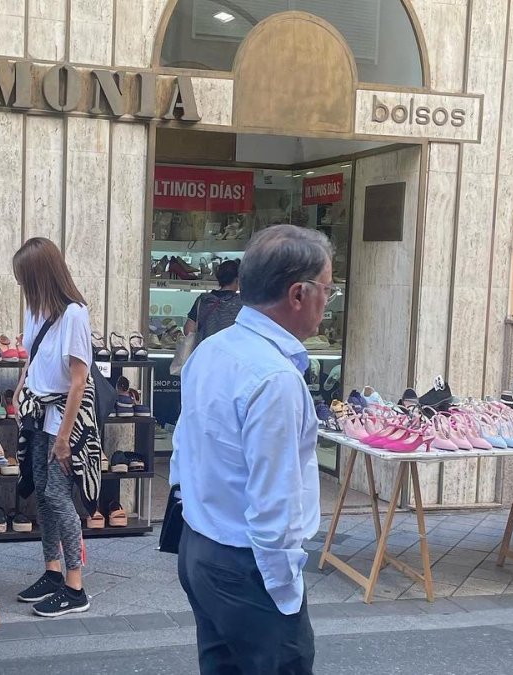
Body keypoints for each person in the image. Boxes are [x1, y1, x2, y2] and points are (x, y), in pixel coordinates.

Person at [172, 225, 330, 674]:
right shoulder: (273, 377)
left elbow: (184, 447)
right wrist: (284, 589)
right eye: (327, 289)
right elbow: (274, 503)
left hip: (202, 545)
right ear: (298, 294)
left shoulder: (212, 349)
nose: (327, 301)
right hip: (247, 565)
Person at [11, 237, 103, 618]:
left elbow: (78, 382)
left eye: (24, 279)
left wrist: (64, 440)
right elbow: (32, 360)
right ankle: (52, 572)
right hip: (37, 416)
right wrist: (19, 393)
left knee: (61, 498)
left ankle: (75, 585)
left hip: (65, 420)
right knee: (43, 496)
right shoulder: (37, 311)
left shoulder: (75, 315)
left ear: (40, 277)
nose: (21, 287)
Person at [183, 258, 242, 343]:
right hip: (229, 353)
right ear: (237, 280)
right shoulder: (240, 303)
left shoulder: (203, 300)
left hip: (205, 352)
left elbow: (188, 330)